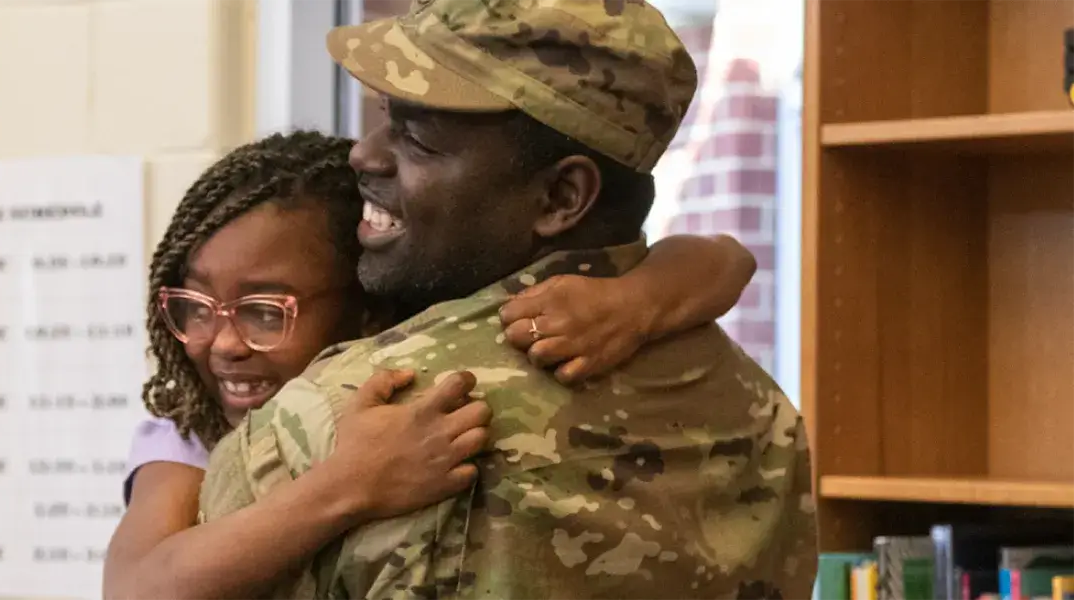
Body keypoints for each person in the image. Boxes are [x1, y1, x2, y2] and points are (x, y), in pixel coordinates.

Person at [198, 1, 818, 599]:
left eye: (418, 139)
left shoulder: (346, 416)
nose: (365, 152)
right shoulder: (765, 416)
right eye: (386, 116)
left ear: (560, 198)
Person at [104, 131, 759, 599]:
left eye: (264, 312)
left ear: (369, 309)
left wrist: (632, 303)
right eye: (193, 305)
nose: (221, 343)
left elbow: (725, 262)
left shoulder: (425, 359)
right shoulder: (186, 429)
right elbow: (137, 588)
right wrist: (348, 484)